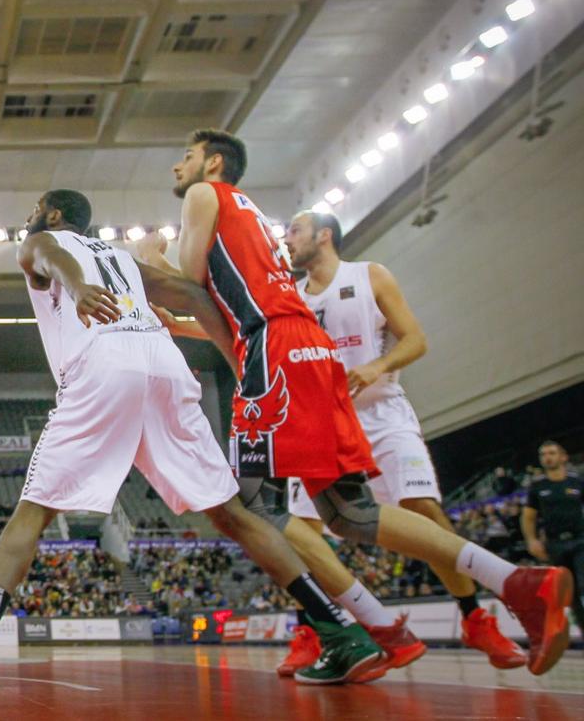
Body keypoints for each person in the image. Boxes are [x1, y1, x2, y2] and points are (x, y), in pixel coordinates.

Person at [141, 128, 571, 676]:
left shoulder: (208, 196)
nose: (179, 166)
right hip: (305, 350)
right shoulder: (250, 218)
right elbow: (228, 304)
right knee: (349, 514)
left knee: (252, 506)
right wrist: (191, 326)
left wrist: (145, 263)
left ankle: (360, 632)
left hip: (275, 352)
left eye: (187, 155)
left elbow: (193, 285)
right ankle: (517, 582)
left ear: (215, 163)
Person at [0, 190, 390, 688]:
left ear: (53, 216)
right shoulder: (120, 256)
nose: (29, 217)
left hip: (103, 363)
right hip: (165, 366)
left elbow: (48, 255)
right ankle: (341, 632)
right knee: (231, 513)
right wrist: (238, 365)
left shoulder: (44, 241)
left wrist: (77, 287)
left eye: (36, 209)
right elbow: (193, 295)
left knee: (32, 511)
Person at [276, 210, 524, 669]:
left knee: (424, 509)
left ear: (324, 235)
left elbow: (415, 339)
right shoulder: (289, 295)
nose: (286, 239)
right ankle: (313, 633)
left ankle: (474, 619)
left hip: (381, 412)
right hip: (321, 424)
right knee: (303, 532)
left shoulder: (369, 275)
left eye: (294, 230)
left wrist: (375, 367)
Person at [522, 441, 584, 639]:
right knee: (571, 594)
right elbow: (529, 517)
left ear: (563, 457)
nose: (547, 457)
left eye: (551, 453)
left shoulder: (577, 482)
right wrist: (531, 540)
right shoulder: (537, 486)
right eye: (543, 454)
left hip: (580, 540)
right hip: (555, 545)